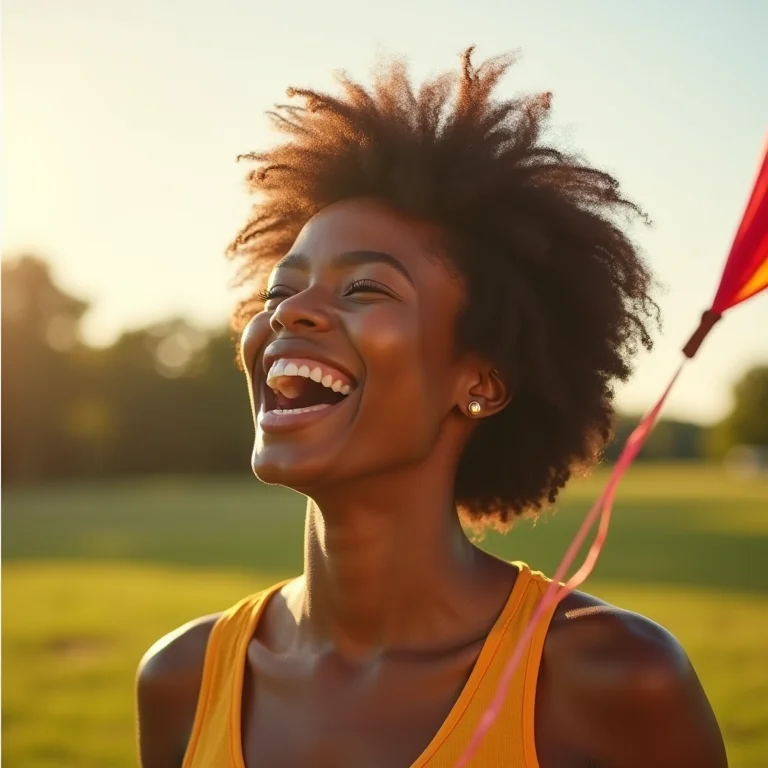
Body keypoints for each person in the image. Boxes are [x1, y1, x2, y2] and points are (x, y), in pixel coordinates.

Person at [136, 49, 727, 768]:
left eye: (366, 290)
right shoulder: (181, 679)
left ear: (481, 382)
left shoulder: (615, 680)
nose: (293, 315)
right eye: (278, 292)